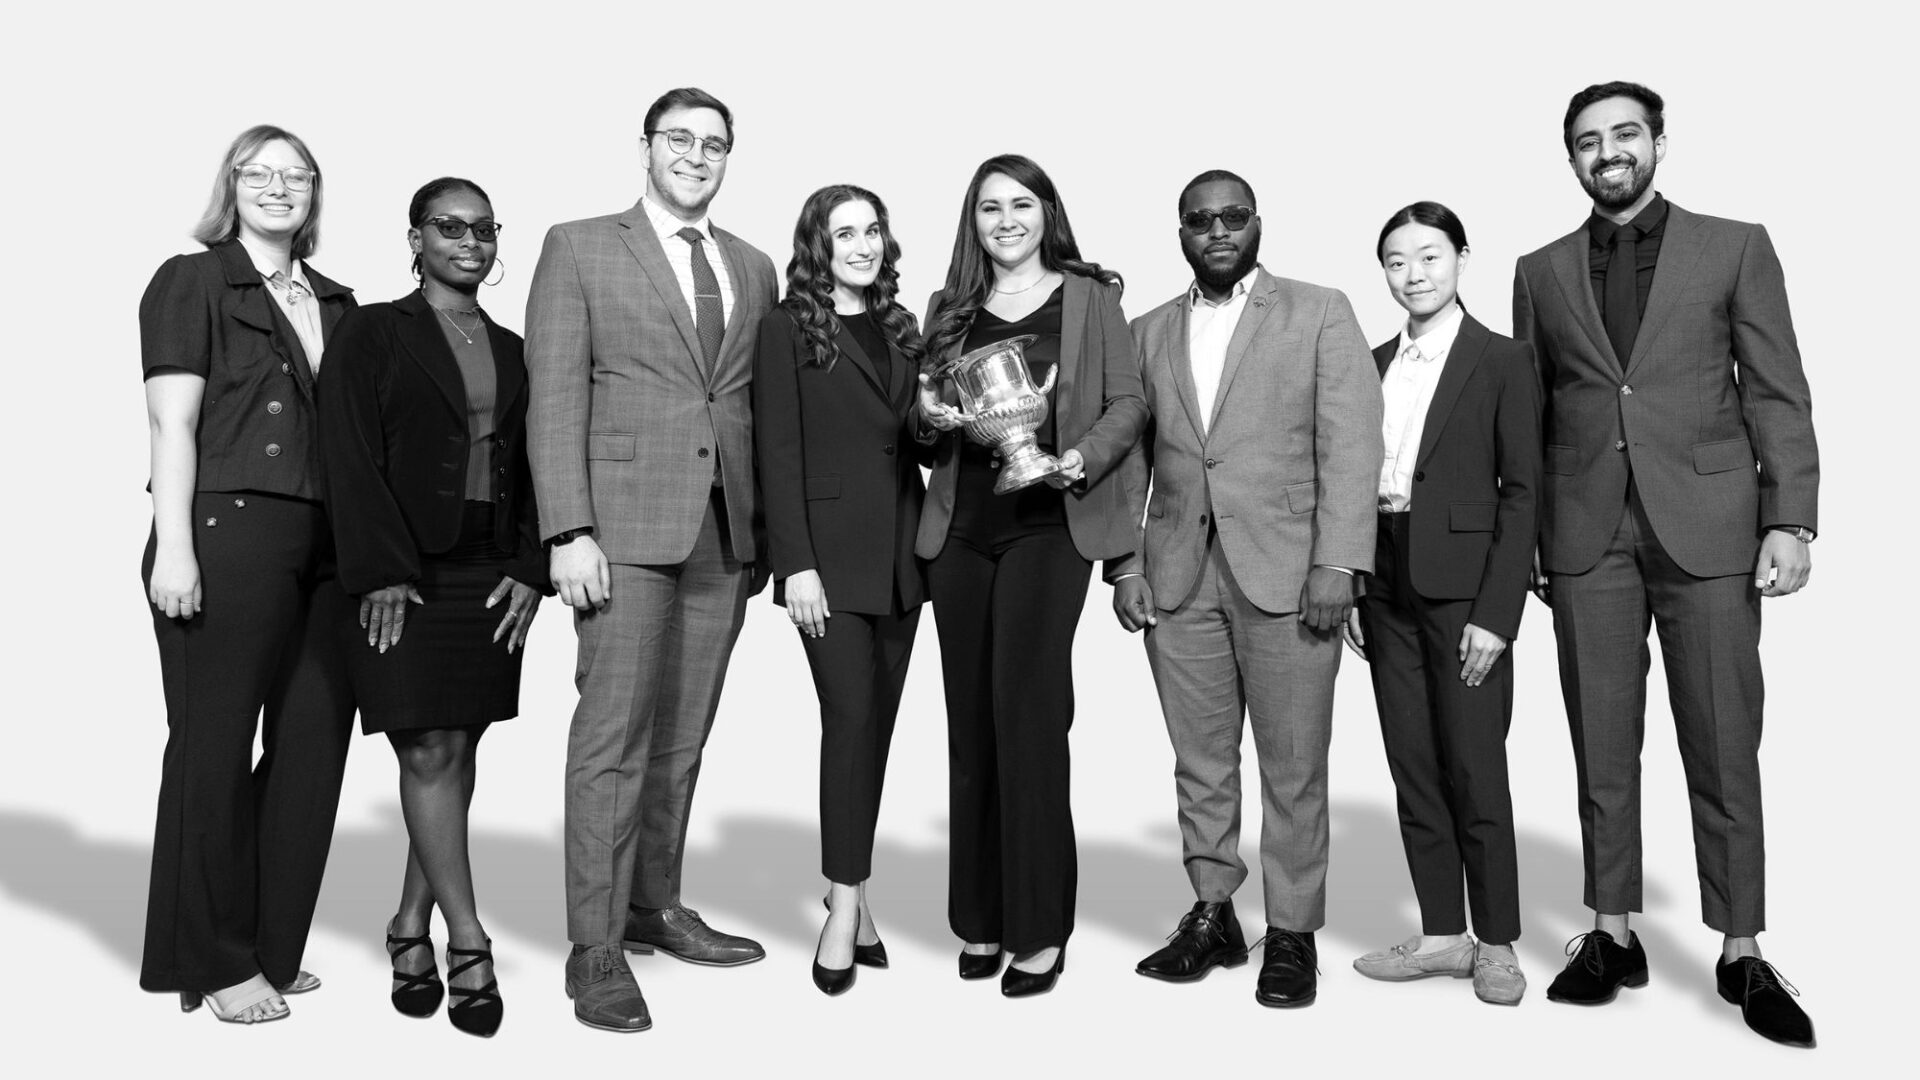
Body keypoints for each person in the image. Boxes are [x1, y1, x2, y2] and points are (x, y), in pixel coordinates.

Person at [1513, 81, 1818, 1047]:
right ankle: (1611, 931)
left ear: (1657, 143)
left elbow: (1778, 391)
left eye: (1625, 135)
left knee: (1724, 738)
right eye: (1589, 141)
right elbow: (1529, 413)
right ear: (1570, 159)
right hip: (1583, 534)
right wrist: (1526, 537)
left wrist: (1792, 520)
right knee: (1602, 738)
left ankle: (1741, 945)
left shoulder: (1734, 245)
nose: (1609, 152)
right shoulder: (1540, 269)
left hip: (1713, 526)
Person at [525, 86, 779, 1033]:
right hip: (620, 534)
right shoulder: (580, 245)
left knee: (680, 739)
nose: (696, 155)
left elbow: (753, 401)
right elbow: (553, 397)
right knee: (612, 739)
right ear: (646, 147)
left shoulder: (753, 266)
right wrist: (566, 531)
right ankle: (594, 946)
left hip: (723, 537)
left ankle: (652, 907)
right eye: (680, 139)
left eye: (714, 144)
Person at [1114, 170, 1382, 1009]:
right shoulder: (1148, 330)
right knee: (1200, 761)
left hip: (1294, 573)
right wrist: (1124, 565)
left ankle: (1293, 932)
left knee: (1294, 766)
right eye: (1201, 220)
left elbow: (1352, 445)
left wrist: (1340, 561)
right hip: (1176, 576)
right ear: (1182, 233)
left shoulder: (1320, 310)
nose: (1218, 230)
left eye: (1233, 216)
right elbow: (1128, 456)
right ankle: (1214, 912)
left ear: (1257, 223)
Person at [318, 177, 549, 1037]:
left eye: (484, 229)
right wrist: (377, 568)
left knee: (457, 744)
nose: (469, 242)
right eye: (449, 227)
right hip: (404, 570)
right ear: (414, 238)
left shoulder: (517, 348)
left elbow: (537, 464)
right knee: (426, 748)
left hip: (491, 568)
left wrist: (531, 565)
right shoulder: (372, 332)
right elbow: (346, 452)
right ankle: (468, 940)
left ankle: (407, 925)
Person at [137, 124, 356, 1024]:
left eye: (295, 174)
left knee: (312, 749)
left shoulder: (337, 301)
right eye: (258, 172)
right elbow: (170, 426)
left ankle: (270, 945)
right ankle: (215, 959)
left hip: (326, 546)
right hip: (225, 530)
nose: (277, 186)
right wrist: (176, 545)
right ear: (231, 185)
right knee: (214, 749)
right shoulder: (193, 279)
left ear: (313, 193)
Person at [916, 153, 1146, 998]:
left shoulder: (1092, 297)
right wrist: (929, 414)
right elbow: (920, 413)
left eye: (1021, 204)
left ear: (1048, 211)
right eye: (988, 209)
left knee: (1031, 719)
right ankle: (980, 920)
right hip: (960, 533)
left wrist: (1075, 457)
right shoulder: (949, 307)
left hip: (1050, 527)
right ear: (971, 223)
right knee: (971, 727)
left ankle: (1039, 928)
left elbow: (1128, 404)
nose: (1005, 220)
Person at [1341, 201, 1541, 1005]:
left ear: (1461, 258)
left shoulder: (1503, 359)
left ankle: (1496, 943)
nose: (1413, 274)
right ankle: (1441, 936)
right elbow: (1354, 477)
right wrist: (1355, 580)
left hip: (1466, 586)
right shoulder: (1372, 358)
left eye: (1429, 257)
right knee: (1413, 764)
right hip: (1385, 576)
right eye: (1396, 260)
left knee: (1475, 764)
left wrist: (1498, 613)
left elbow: (1523, 492)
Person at [752, 185, 928, 996]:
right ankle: (845, 905)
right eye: (844, 232)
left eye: (871, 230)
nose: (861, 244)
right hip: (826, 562)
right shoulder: (787, 327)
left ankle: (846, 884)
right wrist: (796, 566)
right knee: (849, 719)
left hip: (902, 556)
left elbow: (917, 442)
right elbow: (777, 452)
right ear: (818, 244)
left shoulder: (901, 325)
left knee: (877, 729)